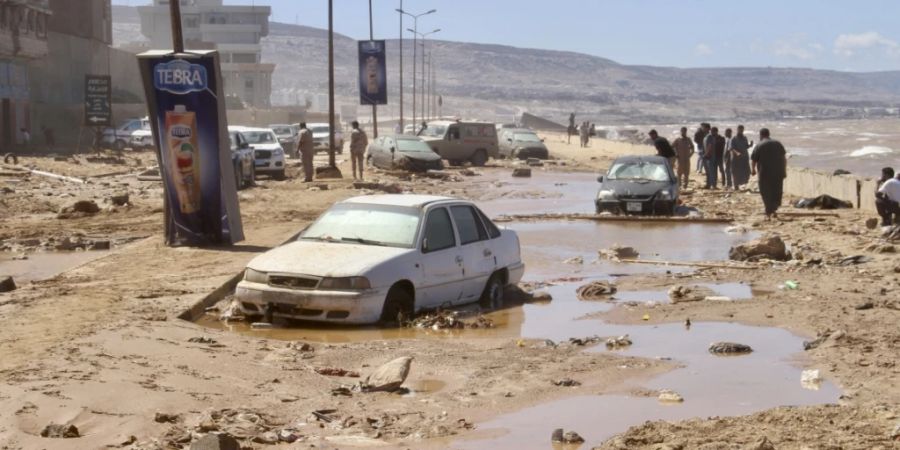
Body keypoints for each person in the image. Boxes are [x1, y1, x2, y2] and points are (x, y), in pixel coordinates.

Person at [751, 128, 787, 219]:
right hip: (778, 173)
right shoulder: (778, 143)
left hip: (765, 173)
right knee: (776, 191)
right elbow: (784, 158)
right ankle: (774, 208)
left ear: (761, 135)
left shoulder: (759, 145)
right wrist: (784, 170)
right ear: (769, 134)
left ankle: (769, 210)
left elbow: (754, 159)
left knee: (765, 191)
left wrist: (753, 170)